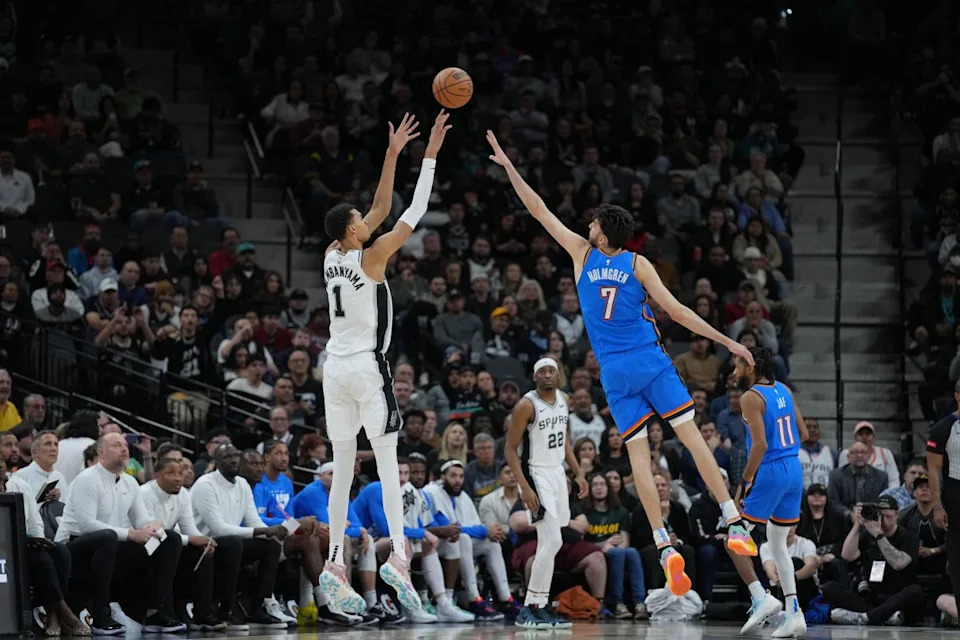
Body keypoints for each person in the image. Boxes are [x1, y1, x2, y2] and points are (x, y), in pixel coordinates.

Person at [487, 130, 757, 600]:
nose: (586, 225)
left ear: (600, 233)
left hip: (613, 372)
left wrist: (510, 168)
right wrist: (726, 342)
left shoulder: (581, 254)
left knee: (638, 458)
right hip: (650, 362)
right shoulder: (636, 264)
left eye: (592, 222)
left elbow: (539, 211)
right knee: (692, 440)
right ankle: (733, 517)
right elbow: (677, 312)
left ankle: (662, 544)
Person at [318, 111, 450, 614]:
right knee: (391, 463)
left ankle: (334, 564)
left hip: (334, 369)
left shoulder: (333, 252)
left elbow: (377, 204)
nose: (366, 219)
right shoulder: (371, 259)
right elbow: (409, 210)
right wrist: (430, 156)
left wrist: (394, 154)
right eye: (361, 220)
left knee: (346, 465)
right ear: (356, 230)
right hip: (366, 369)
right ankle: (398, 555)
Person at [55, 432, 185, 634]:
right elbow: (87, 524)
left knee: (170, 538)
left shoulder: (130, 482)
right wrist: (131, 534)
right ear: (101, 453)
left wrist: (154, 525)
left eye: (125, 444)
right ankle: (100, 617)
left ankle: (153, 612)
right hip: (75, 548)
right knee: (107, 537)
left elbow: (141, 520)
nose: (124, 448)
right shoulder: (87, 479)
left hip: (111, 546)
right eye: (116, 445)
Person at [729, 346, 809, 638]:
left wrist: (745, 482)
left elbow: (760, 445)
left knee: (734, 539)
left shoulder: (750, 397)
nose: (733, 370)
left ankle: (760, 597)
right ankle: (794, 611)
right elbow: (805, 434)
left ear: (750, 367)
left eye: (737, 364)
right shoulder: (784, 389)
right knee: (777, 545)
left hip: (771, 469)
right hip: (793, 468)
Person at [504, 357, 587, 628]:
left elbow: (564, 442)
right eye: (543, 371)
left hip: (556, 473)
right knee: (551, 541)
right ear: (535, 376)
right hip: (535, 474)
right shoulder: (526, 405)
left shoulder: (564, 399)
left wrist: (578, 473)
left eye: (552, 370)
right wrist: (525, 488)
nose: (548, 375)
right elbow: (510, 449)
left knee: (554, 542)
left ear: (559, 375)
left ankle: (540, 606)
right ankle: (530, 607)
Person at [190, 444, 292, 628]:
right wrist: (265, 530)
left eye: (236, 455)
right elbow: (218, 529)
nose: (234, 459)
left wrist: (278, 531)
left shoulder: (247, 484)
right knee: (234, 543)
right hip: (204, 544)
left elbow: (256, 520)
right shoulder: (206, 485)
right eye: (228, 457)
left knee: (272, 545)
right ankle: (226, 610)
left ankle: (258, 609)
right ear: (217, 462)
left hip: (231, 542)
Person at [138, 456, 229, 631]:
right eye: (171, 473)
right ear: (157, 476)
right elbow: (148, 531)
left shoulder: (183, 495)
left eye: (180, 473)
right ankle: (157, 612)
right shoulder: (144, 493)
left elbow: (189, 529)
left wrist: (204, 541)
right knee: (173, 539)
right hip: (142, 546)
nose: (178, 478)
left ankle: (203, 613)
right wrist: (191, 539)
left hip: (169, 546)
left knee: (202, 551)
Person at [1, 460, 90, 636]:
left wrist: (39, 540)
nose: (0, 465)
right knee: (41, 559)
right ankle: (62, 612)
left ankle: (53, 613)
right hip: (7, 546)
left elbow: (34, 522)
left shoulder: (19, 485)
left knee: (60, 551)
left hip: (26, 542)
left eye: (1, 461)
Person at [422, 459, 520, 620]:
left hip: (453, 544)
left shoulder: (461, 494)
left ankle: (505, 598)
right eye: (453, 476)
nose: (458, 480)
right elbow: (447, 528)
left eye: (461, 476)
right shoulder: (433, 492)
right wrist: (484, 529)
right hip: (436, 542)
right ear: (442, 477)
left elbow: (468, 525)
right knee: (465, 538)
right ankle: (474, 599)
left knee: (491, 543)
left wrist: (486, 531)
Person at [825, 496, 924, 625]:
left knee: (915, 591)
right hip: (871, 596)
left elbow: (898, 563)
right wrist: (858, 525)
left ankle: (866, 617)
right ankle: (881, 616)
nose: (882, 521)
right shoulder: (867, 536)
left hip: (897, 596)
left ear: (896, 515)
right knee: (829, 587)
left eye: (887, 516)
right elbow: (847, 555)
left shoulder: (909, 536)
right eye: (879, 516)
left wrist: (879, 535)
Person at [14, 430, 65, 502]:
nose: (53, 448)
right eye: (48, 444)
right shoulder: (20, 476)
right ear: (34, 451)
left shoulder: (60, 477)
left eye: (56, 444)